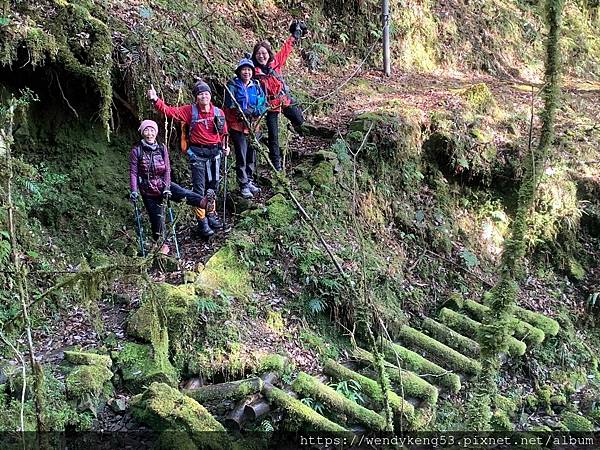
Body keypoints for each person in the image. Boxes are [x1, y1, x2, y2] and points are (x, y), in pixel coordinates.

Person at [147, 81, 230, 237]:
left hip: (215, 154)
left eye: (206, 93)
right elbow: (170, 112)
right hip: (197, 155)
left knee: (213, 187)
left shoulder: (219, 112)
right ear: (196, 97)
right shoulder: (190, 111)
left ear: (210, 96)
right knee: (199, 189)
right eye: (200, 94)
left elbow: (224, 133)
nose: (204, 96)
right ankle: (202, 223)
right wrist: (155, 100)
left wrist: (226, 146)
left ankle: (211, 215)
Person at [129, 120, 208, 253]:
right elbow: (133, 172)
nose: (150, 134)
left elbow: (167, 169)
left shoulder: (162, 148)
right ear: (142, 133)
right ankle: (162, 245)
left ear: (156, 132)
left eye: (152, 130)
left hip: (163, 184)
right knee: (157, 220)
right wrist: (134, 191)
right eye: (146, 131)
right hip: (148, 191)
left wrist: (166, 187)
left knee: (182, 192)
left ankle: (203, 202)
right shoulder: (137, 151)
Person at [251, 20, 307, 171]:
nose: (261, 56)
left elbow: (286, 49)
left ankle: (306, 143)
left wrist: (295, 35)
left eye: (264, 53)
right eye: (258, 54)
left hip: (284, 99)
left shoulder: (275, 63)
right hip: (269, 106)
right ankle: (276, 164)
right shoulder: (253, 72)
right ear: (255, 56)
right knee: (273, 136)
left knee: (299, 119)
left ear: (268, 54)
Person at [224, 57, 267, 199]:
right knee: (241, 155)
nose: (246, 72)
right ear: (239, 71)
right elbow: (229, 103)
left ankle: (249, 180)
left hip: (254, 125)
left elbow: (263, 103)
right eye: (244, 70)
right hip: (238, 126)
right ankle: (242, 184)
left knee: (251, 154)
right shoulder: (233, 85)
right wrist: (241, 111)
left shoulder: (256, 86)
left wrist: (255, 110)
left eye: (249, 70)